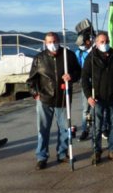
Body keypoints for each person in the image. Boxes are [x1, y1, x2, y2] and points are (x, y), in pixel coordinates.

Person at [27, 32, 81, 170]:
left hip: (63, 98)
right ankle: (41, 157)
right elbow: (31, 80)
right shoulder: (39, 58)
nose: (53, 44)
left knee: (64, 128)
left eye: (55, 41)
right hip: (44, 99)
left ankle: (62, 153)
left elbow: (78, 72)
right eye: (50, 41)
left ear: (59, 41)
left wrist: (72, 76)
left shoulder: (68, 55)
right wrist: (35, 94)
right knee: (43, 130)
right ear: (45, 43)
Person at [81, 31, 113, 163]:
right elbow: (84, 78)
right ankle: (96, 151)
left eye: (106, 41)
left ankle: (112, 150)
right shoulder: (91, 58)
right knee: (97, 126)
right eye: (102, 42)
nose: (105, 44)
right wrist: (89, 96)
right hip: (97, 98)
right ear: (96, 43)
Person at [75, 36, 93, 141]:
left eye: (82, 44)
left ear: (88, 42)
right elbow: (76, 67)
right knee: (86, 109)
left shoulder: (96, 51)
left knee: (100, 108)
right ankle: (85, 130)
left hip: (97, 82)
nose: (80, 47)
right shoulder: (79, 53)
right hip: (85, 82)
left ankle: (103, 128)